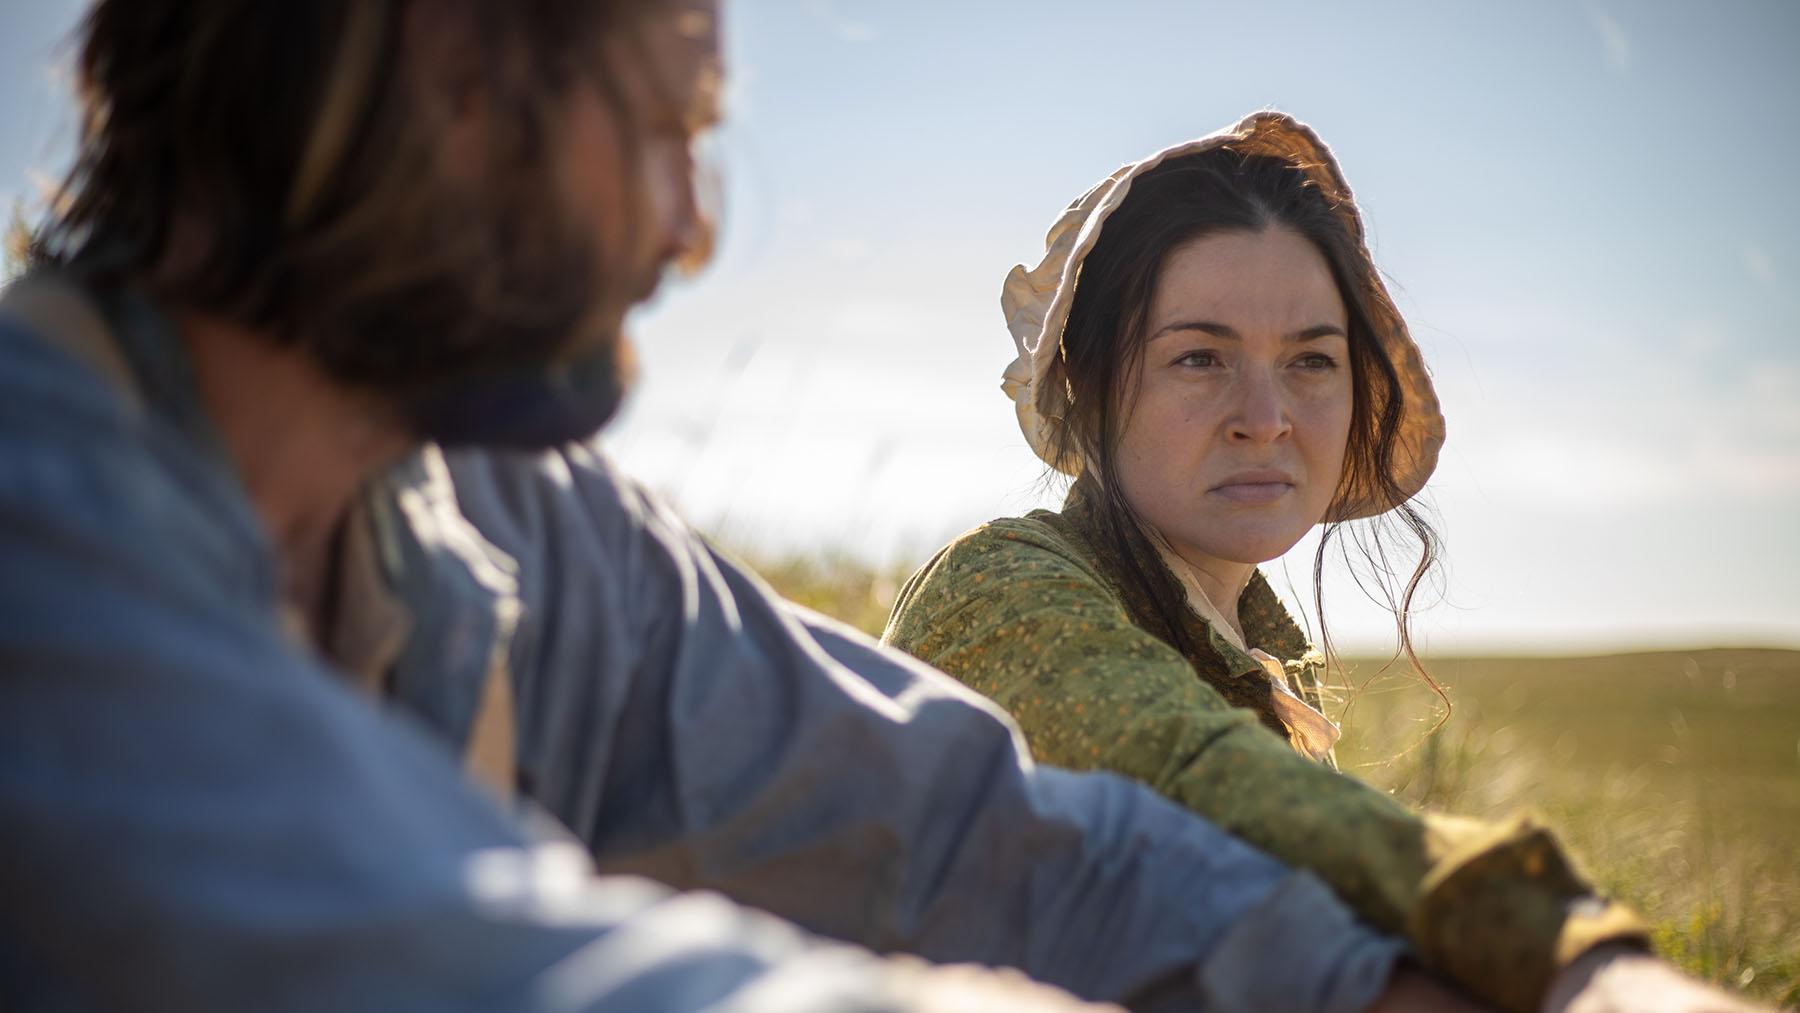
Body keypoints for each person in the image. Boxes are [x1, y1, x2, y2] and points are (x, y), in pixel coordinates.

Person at [0, 4, 1464, 1011]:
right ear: (439, 72)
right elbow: (483, 971)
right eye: (662, 122)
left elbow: (956, 827)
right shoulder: (38, 535)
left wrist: (1447, 971)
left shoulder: (526, 529)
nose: (690, 224)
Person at [884, 112, 1759, 1013]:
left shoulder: (1264, 654)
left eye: (1310, 359)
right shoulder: (995, 590)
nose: (1266, 416)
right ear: (1090, 383)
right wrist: (1576, 957)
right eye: (1199, 356)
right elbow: (1195, 779)